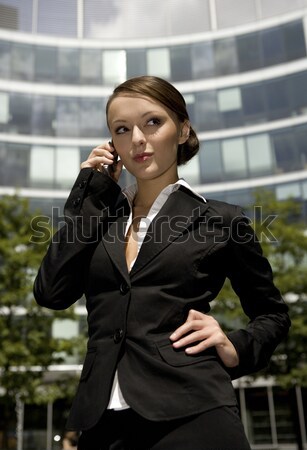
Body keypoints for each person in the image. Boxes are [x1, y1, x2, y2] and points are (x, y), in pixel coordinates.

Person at [34, 76, 290, 450]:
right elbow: (51, 291)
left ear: (182, 129)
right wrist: (88, 193)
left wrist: (235, 345)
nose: (138, 138)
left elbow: (273, 314)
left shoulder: (222, 220)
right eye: (122, 129)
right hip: (101, 422)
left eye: (153, 122)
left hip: (194, 412)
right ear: (113, 145)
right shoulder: (100, 219)